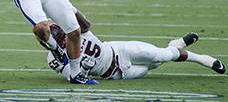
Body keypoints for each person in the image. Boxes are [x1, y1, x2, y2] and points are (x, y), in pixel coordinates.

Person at [47, 22, 226, 80]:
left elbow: (85, 25)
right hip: (115, 74)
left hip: (119, 51)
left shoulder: (75, 32)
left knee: (159, 55)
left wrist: (69, 8)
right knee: (153, 66)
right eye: (61, 40)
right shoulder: (53, 58)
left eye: (65, 36)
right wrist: (83, 69)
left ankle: (203, 59)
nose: (66, 40)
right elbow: (72, 76)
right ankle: (175, 45)